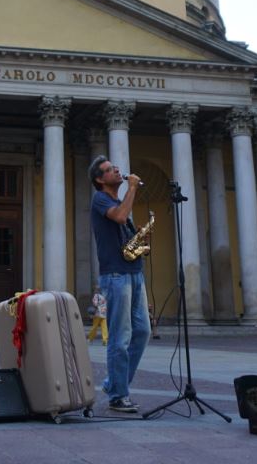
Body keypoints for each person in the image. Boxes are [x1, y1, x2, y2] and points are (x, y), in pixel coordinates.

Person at [89, 156, 150, 413]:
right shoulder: (101, 199)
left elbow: (125, 227)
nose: (116, 170)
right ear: (100, 180)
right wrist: (132, 187)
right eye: (109, 169)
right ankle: (118, 395)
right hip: (116, 275)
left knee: (142, 332)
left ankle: (115, 383)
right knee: (120, 336)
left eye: (115, 167)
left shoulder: (115, 200)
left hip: (133, 272)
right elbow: (121, 217)